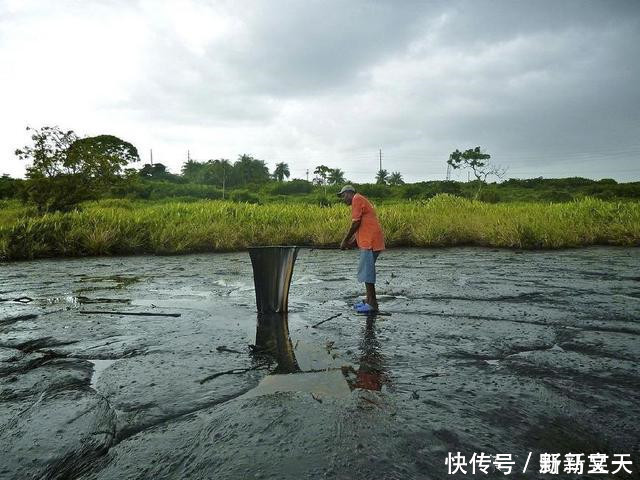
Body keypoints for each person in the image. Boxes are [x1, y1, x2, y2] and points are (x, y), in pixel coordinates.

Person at [337, 185, 385, 313]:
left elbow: (355, 223)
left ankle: (372, 304)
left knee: (367, 273)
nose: (343, 198)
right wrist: (350, 243)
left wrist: (345, 240)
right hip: (369, 241)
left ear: (349, 193)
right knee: (366, 271)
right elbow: (360, 227)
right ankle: (368, 300)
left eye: (343, 195)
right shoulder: (359, 200)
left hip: (370, 242)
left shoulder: (356, 199)